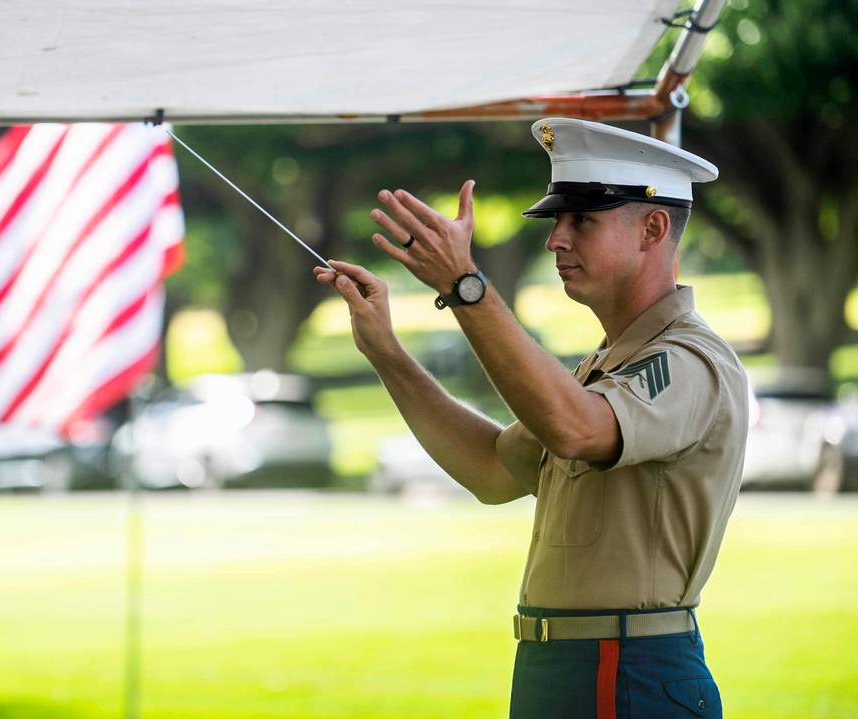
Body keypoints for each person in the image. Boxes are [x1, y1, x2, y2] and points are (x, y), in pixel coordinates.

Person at [314, 117, 748, 718]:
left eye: (583, 220)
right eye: (556, 221)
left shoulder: (690, 359)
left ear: (653, 227)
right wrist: (385, 353)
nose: (555, 240)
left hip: (627, 670)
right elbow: (491, 469)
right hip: (570, 667)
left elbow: (579, 430)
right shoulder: (603, 368)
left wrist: (466, 286)